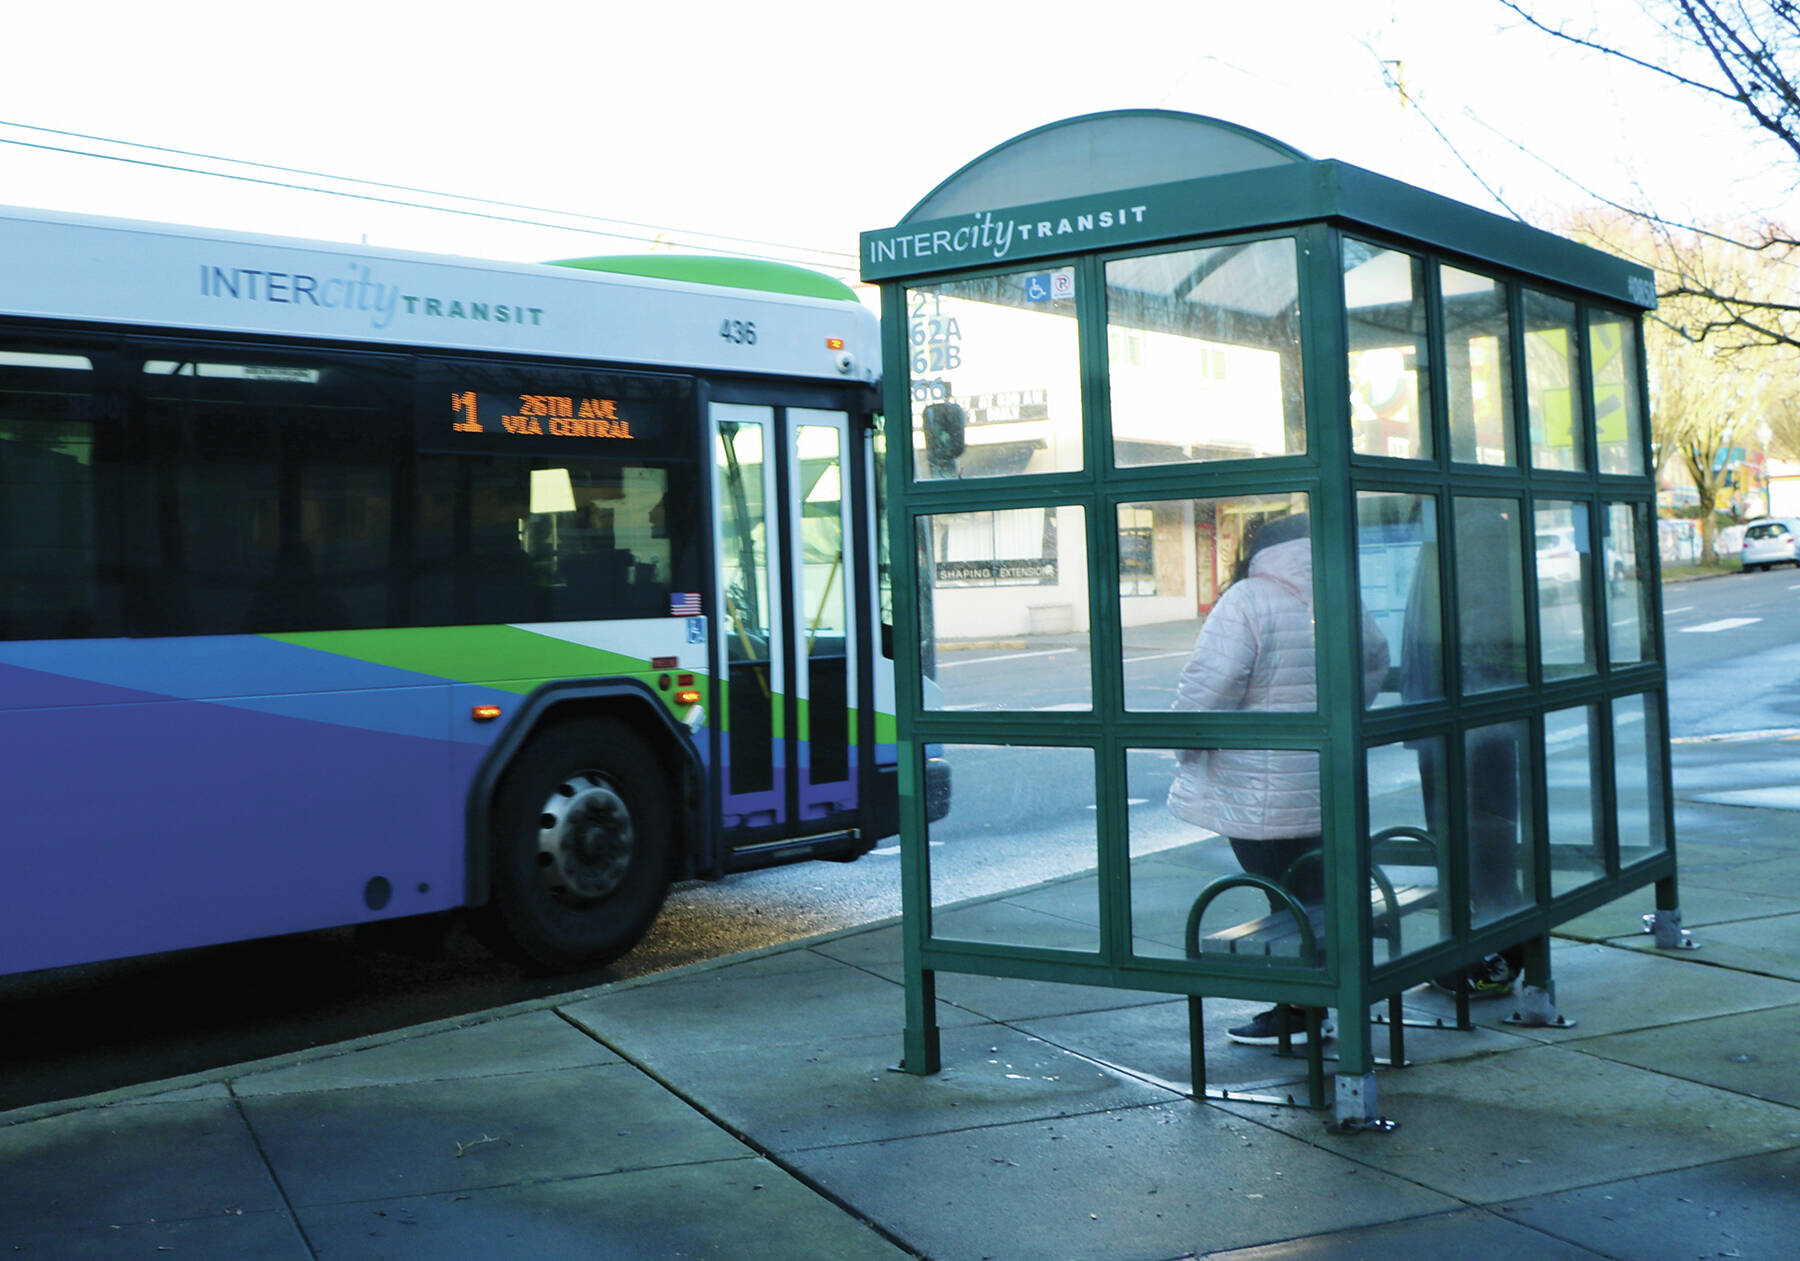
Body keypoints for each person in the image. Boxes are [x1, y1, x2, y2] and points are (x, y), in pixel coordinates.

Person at [1167, 511, 1390, 1044]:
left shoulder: (1248, 598)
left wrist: (1187, 746)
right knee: (1314, 897)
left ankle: (1298, 1011)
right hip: (1325, 780)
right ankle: (1325, 1001)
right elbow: (1375, 658)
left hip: (1257, 790)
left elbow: (1208, 686)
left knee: (1280, 899)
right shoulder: (1340, 594)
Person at [1400, 500, 1528, 999]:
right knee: (1462, 842)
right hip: (1449, 718)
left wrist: (1464, 712)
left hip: (1467, 724)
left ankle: (1498, 958)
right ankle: (1481, 951)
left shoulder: (1471, 528)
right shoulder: (1447, 527)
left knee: (1484, 844)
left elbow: (1483, 626)